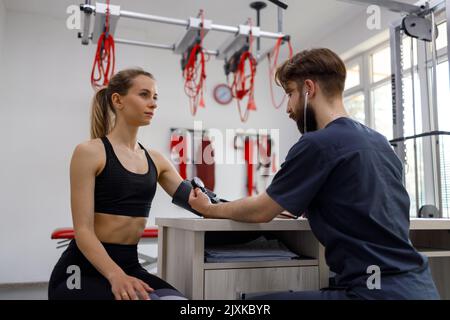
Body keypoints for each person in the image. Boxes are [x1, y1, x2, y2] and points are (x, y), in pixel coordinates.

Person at [189, 48, 440, 300]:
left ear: (309, 88)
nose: (288, 108)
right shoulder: (380, 142)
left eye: (290, 94)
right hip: (419, 286)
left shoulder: (317, 143)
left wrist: (209, 209)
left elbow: (261, 210)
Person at [48, 68, 187, 300]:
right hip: (80, 272)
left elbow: (197, 201)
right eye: (144, 94)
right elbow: (82, 231)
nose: (153, 103)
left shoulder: (157, 159)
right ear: (117, 100)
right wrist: (115, 275)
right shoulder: (89, 152)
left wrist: (237, 207)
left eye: (155, 97)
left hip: (130, 265)